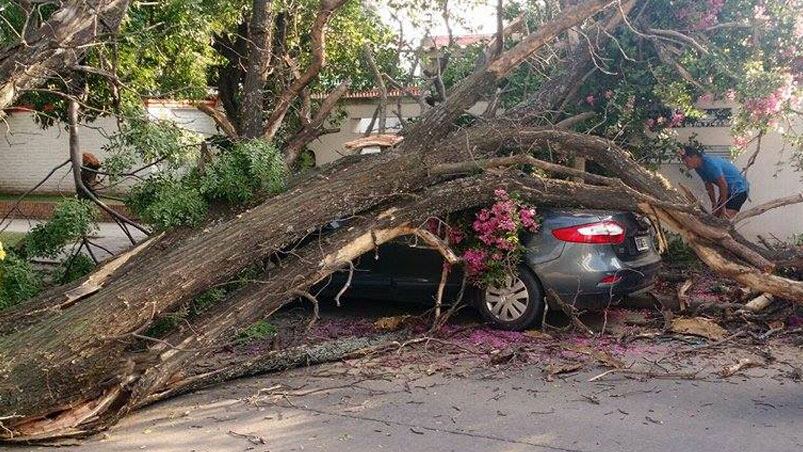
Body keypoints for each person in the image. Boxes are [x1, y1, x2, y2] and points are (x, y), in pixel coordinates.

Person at [679, 145, 749, 218]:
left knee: (724, 219)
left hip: (739, 191)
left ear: (695, 157)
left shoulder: (710, 164)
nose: (685, 163)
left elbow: (723, 185)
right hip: (727, 191)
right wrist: (714, 204)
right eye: (683, 161)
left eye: (687, 160)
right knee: (714, 217)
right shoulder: (698, 168)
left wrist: (722, 207)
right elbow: (709, 186)